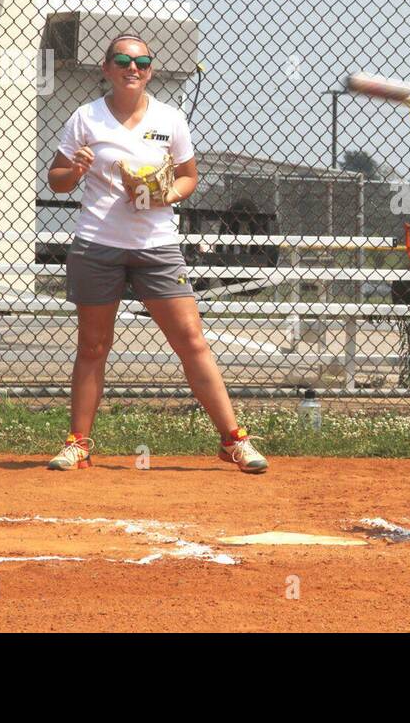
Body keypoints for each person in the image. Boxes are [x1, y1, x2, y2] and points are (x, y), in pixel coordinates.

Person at [44, 32, 267, 474]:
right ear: (105, 69)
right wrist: (76, 169)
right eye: (123, 60)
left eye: (142, 62)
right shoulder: (86, 118)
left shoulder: (170, 118)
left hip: (156, 246)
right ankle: (78, 444)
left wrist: (164, 195)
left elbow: (188, 178)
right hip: (98, 244)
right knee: (92, 346)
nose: (133, 68)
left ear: (150, 71)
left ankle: (233, 440)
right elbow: (57, 179)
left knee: (191, 341)